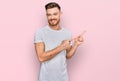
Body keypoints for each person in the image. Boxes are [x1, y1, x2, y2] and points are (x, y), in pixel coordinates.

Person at [34, 2, 84, 81]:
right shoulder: (40, 33)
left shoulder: (67, 33)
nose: (52, 17)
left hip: (63, 78)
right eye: (49, 15)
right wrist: (61, 47)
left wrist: (76, 45)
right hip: (45, 78)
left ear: (60, 14)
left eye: (55, 14)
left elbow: (68, 55)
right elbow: (41, 57)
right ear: (46, 15)